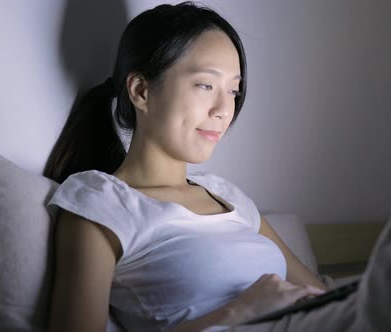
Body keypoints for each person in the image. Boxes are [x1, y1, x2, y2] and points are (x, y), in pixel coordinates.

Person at [44, 3, 327, 332]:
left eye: (233, 91)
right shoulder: (101, 204)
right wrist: (240, 311)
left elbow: (320, 293)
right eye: (206, 85)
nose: (224, 110)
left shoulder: (226, 195)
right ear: (141, 91)